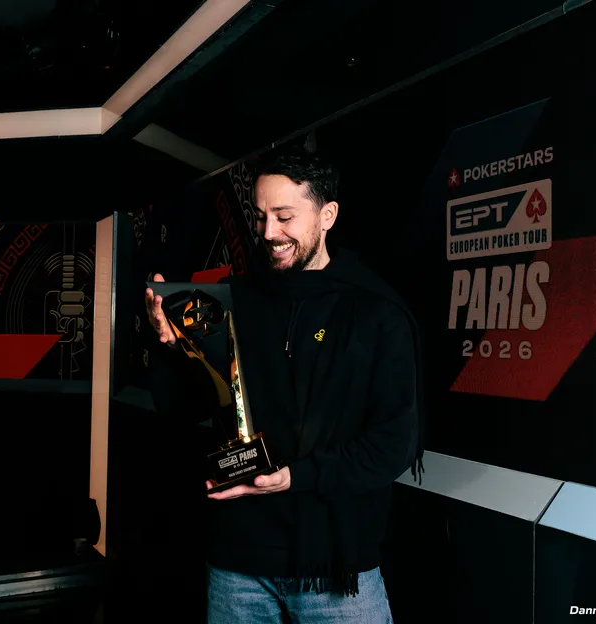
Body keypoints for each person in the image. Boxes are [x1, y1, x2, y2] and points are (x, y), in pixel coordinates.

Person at [144, 149, 425, 623]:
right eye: (260, 216)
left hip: (335, 577)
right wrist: (174, 347)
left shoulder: (375, 313)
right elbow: (183, 410)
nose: (268, 232)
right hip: (238, 568)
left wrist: (294, 477)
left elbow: (394, 445)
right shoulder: (229, 303)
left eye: (285, 216)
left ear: (328, 215)